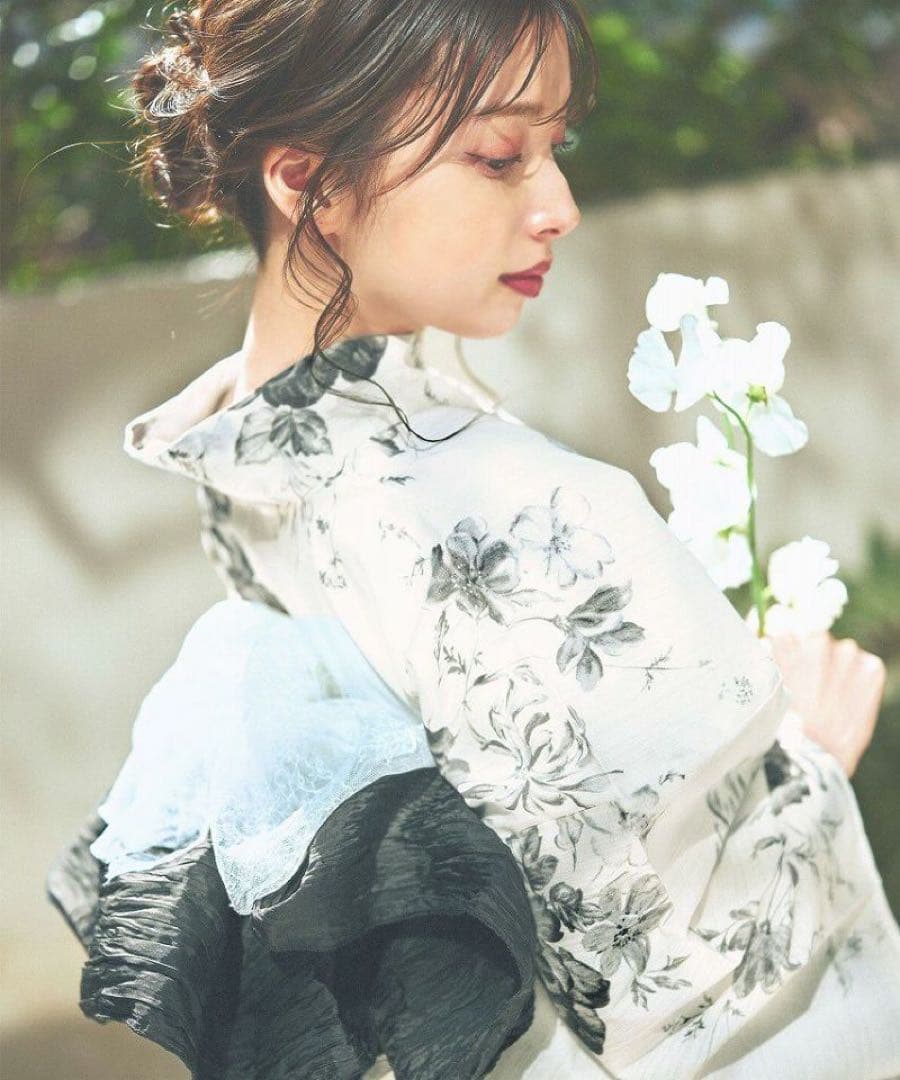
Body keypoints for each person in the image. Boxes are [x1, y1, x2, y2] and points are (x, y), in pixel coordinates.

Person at [45, 2, 900, 1078]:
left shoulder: (238, 455)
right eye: (499, 157)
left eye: (555, 147)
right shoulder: (516, 505)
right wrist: (810, 755)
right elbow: (662, 961)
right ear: (308, 182)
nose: (560, 207)